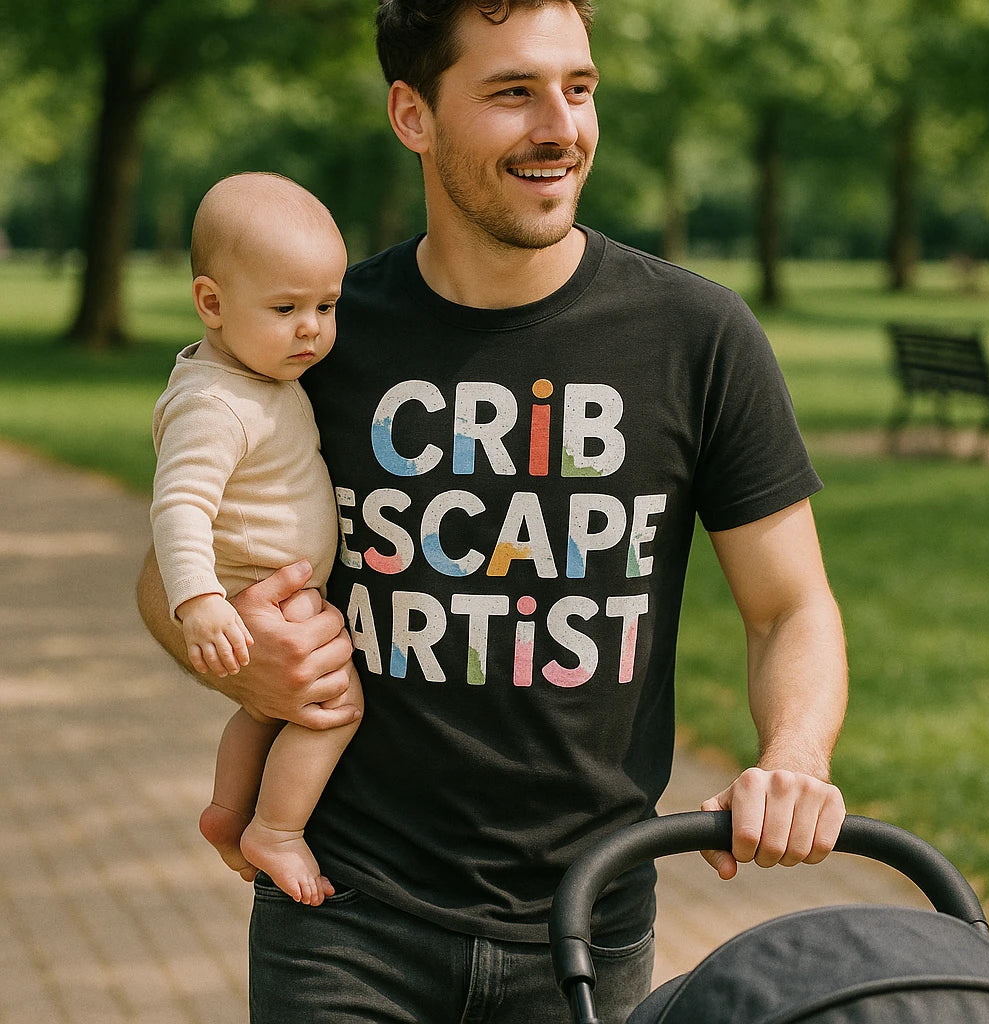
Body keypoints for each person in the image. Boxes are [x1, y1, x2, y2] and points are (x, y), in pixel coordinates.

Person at [137, 2, 848, 1021]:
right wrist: (232, 647)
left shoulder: (695, 334)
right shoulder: (317, 333)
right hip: (343, 912)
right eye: (513, 92)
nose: (559, 126)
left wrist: (792, 757)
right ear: (412, 114)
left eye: (578, 87)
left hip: (586, 920)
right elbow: (168, 566)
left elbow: (790, 608)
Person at [149, 171, 362, 907]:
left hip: (273, 587)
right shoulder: (215, 403)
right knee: (333, 706)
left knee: (266, 708)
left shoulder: (256, 374)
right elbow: (178, 506)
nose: (311, 327)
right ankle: (276, 827)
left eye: (326, 306)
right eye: (286, 308)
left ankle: (228, 812)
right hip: (261, 590)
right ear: (211, 303)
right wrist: (200, 603)